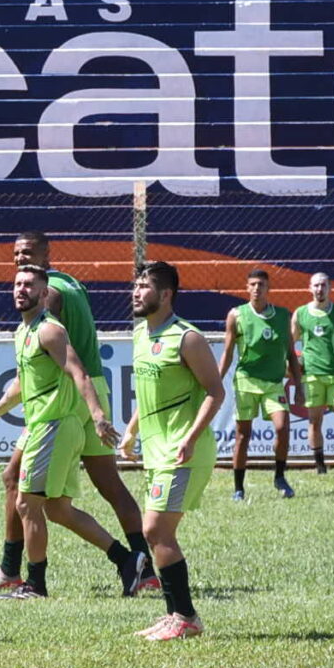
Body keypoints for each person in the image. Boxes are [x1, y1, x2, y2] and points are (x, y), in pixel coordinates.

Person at [0, 232, 152, 595]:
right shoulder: (65, 288)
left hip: (65, 403)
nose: (20, 262)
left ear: (46, 260)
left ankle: (18, 573)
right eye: (16, 255)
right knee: (74, 500)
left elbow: (65, 361)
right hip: (87, 391)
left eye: (28, 255)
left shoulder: (49, 306)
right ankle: (137, 563)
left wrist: (94, 413)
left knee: (19, 486)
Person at [124, 262, 226, 641]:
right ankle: (174, 615)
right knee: (156, 534)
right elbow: (149, 396)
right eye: (134, 286)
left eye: (144, 287)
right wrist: (132, 432)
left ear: (166, 295)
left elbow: (216, 393)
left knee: (155, 529)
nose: (136, 293)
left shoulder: (188, 338)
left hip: (183, 450)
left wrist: (190, 437)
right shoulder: (139, 334)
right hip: (156, 450)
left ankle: (185, 616)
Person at [219, 267, 299, 501]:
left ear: (268, 288)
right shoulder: (237, 315)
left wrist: (300, 387)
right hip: (246, 381)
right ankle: (238, 488)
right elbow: (227, 352)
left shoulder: (283, 316)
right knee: (243, 435)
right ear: (246, 288)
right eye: (252, 284)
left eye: (261, 285)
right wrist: (214, 380)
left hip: (274, 383)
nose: (256, 288)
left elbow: (291, 355)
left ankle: (280, 476)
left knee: (283, 427)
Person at [292, 272, 334, 474]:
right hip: (312, 376)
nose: (320, 289)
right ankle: (320, 466)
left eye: (323, 285)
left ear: (330, 288)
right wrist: (294, 372)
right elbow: (289, 346)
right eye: (316, 286)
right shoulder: (300, 314)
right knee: (315, 421)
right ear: (309, 288)